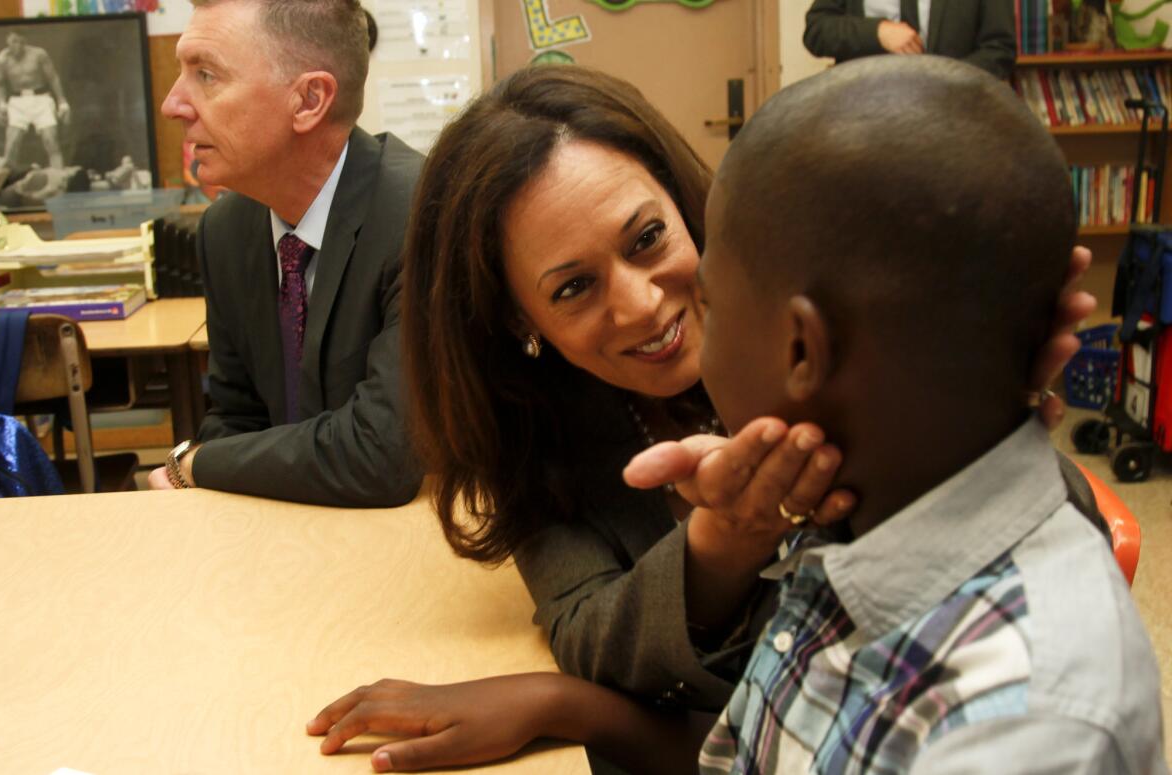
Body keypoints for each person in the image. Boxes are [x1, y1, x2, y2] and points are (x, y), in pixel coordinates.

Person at [305, 55, 1165, 774]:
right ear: (519, 323)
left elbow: (995, 518)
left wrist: (970, 369)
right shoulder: (547, 427)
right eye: (573, 287)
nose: (647, 306)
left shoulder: (863, 432)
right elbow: (757, 728)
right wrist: (718, 546)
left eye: (651, 240)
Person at [152, 0, 424, 507]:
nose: (173, 104)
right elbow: (236, 417)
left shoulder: (422, 213)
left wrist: (193, 464)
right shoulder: (226, 230)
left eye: (206, 75)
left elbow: (381, 456)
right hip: (285, 535)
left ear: (308, 100)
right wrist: (203, 464)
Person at [803, 0, 1016, 80]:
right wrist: (876, 32)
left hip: (952, 123)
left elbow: (1000, 50)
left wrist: (947, 81)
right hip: (865, 122)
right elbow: (817, 31)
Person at [0, 32, 71, 170]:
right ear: (7, 42)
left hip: (41, 99)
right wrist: (1, 103)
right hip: (17, 101)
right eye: (13, 41)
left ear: (25, 41)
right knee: (12, 143)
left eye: (20, 41)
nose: (17, 45)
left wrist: (62, 101)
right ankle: (5, 180)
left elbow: (52, 77)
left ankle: (59, 177)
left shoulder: (38, 54)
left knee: (50, 140)